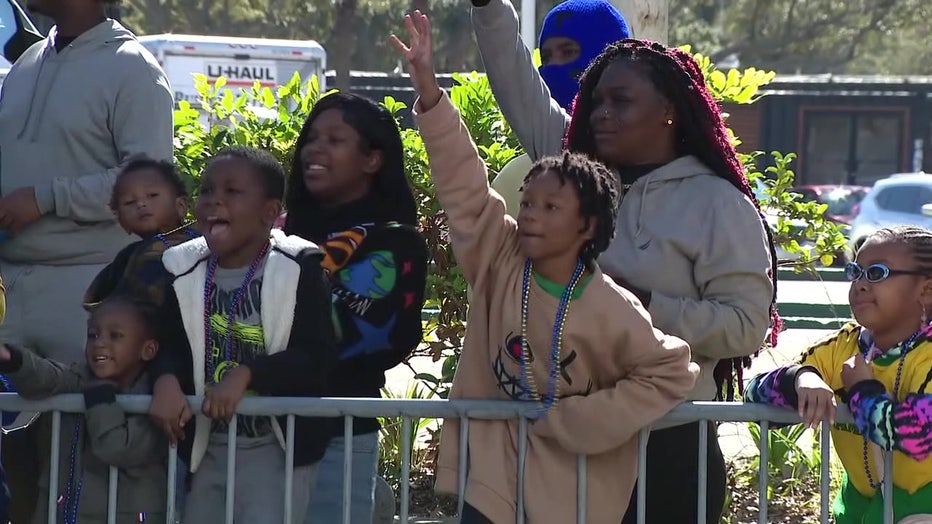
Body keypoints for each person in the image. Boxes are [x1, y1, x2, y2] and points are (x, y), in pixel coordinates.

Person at [391, 12, 699, 523]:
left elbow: (672, 371)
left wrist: (577, 421)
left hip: (573, 499)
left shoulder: (611, 305)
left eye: (549, 208)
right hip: (490, 488)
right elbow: (463, 182)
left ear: (588, 226)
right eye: (527, 202)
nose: (529, 214)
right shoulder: (498, 256)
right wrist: (427, 88)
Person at [563, 39, 779, 523]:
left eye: (621, 100)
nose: (600, 113)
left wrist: (638, 304)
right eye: (596, 100)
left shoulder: (719, 203)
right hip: (572, 438)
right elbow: (520, 93)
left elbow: (746, 326)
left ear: (668, 111)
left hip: (672, 445)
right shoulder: (577, 190)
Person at [0, 0, 173, 519]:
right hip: (10, 297)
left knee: (75, 482)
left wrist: (47, 197)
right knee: (13, 479)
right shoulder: (26, 64)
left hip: (85, 301)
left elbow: (151, 186)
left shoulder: (134, 68)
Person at [147, 146, 338, 524]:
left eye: (232, 192)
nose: (214, 200)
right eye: (206, 190)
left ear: (270, 213)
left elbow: (317, 358)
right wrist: (165, 379)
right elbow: (167, 345)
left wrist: (248, 374)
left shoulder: (299, 269)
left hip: (276, 451)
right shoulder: (181, 269)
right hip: (207, 449)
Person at [282, 92, 429, 524]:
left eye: (334, 139)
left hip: (339, 437)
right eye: (311, 137)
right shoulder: (276, 235)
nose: (315, 148)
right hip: (255, 435)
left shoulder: (396, 243)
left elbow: (377, 340)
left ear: (372, 160)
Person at [745, 226, 932, 524]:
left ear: (926, 289)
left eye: (877, 273)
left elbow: (917, 435)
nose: (859, 284)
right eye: (856, 271)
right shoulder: (841, 346)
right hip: (856, 510)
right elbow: (754, 394)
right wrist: (801, 379)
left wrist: (862, 391)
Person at [0, 295, 168, 524]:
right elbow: (49, 377)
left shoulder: (155, 402)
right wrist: (11, 358)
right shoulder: (81, 377)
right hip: (63, 514)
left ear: (147, 349)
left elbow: (116, 448)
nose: (100, 342)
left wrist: (99, 400)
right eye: (93, 335)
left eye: (115, 336)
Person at [469, 0, 631, 216]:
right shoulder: (561, 144)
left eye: (568, 52)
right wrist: (488, 7)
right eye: (546, 58)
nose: (553, 68)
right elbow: (510, 70)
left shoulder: (678, 172)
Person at [84, 157, 199, 309]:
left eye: (152, 195)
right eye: (129, 202)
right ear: (121, 221)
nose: (141, 204)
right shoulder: (127, 258)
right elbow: (95, 302)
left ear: (180, 205)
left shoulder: (203, 246)